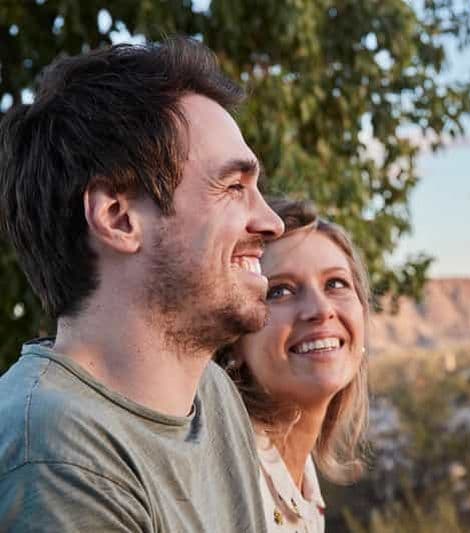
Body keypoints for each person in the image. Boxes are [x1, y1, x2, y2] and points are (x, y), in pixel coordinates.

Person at [0, 37, 284, 531]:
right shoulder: (57, 456)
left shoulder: (210, 396)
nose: (271, 222)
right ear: (118, 217)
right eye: (234, 187)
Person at [217, 199, 369, 532]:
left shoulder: (304, 486)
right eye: (281, 291)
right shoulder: (224, 486)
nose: (320, 309)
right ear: (234, 341)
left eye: (336, 284)